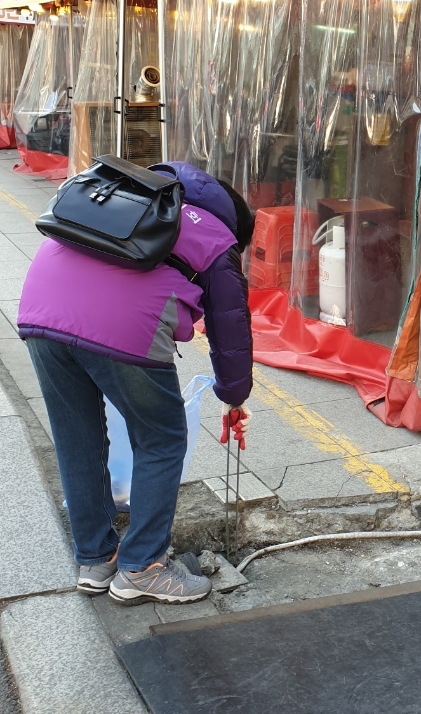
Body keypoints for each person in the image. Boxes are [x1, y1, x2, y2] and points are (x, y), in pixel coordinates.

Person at [18, 162, 255, 604]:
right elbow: (230, 325)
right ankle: (143, 567)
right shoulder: (217, 236)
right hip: (122, 329)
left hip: (38, 313)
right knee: (161, 439)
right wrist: (234, 395)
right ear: (235, 222)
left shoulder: (123, 192)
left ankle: (95, 558)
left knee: (77, 439)